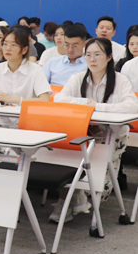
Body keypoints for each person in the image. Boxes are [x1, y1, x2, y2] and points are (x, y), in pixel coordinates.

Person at [53, 37, 138, 222]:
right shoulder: (78, 78)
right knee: (66, 156)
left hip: (111, 135)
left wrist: (98, 106)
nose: (92, 59)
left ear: (109, 57)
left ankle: (73, 199)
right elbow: (59, 99)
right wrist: (86, 103)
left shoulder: (120, 80)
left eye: (97, 55)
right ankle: (69, 200)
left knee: (97, 174)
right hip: (84, 133)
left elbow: (133, 106)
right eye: (88, 55)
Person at [0, 26, 52, 127]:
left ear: (24, 49)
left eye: (13, 45)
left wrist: (11, 99)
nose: (7, 48)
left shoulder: (35, 70)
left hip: (28, 124)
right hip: (1, 124)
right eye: (5, 44)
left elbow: (44, 100)